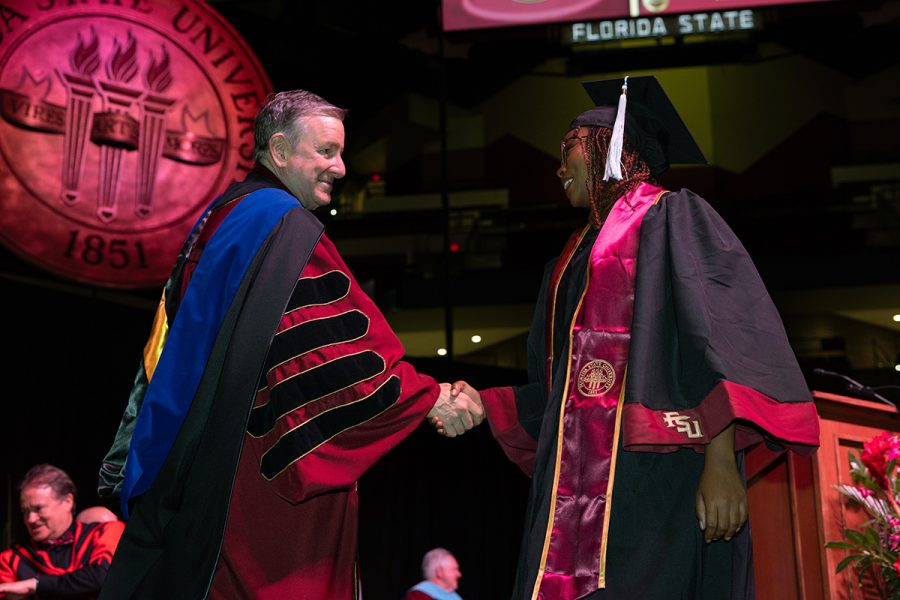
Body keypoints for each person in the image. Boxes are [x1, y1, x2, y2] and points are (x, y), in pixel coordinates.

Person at [96, 89, 483, 600]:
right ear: (279, 151)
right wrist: (426, 397)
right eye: (326, 152)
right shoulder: (285, 226)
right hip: (247, 484)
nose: (341, 168)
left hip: (188, 463)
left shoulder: (221, 216)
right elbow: (332, 354)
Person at [446, 76, 821, 599]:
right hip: (574, 497)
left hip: (658, 477)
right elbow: (559, 395)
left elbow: (719, 345)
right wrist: (484, 404)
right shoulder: (567, 263)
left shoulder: (674, 217)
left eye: (568, 149)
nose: (558, 167)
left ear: (609, 148)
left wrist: (720, 463)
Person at [0, 464, 124, 599]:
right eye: (25, 511)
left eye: (38, 508)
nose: (30, 519)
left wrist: (34, 585)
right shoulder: (11, 559)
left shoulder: (105, 532)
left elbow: (103, 576)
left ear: (67, 501)